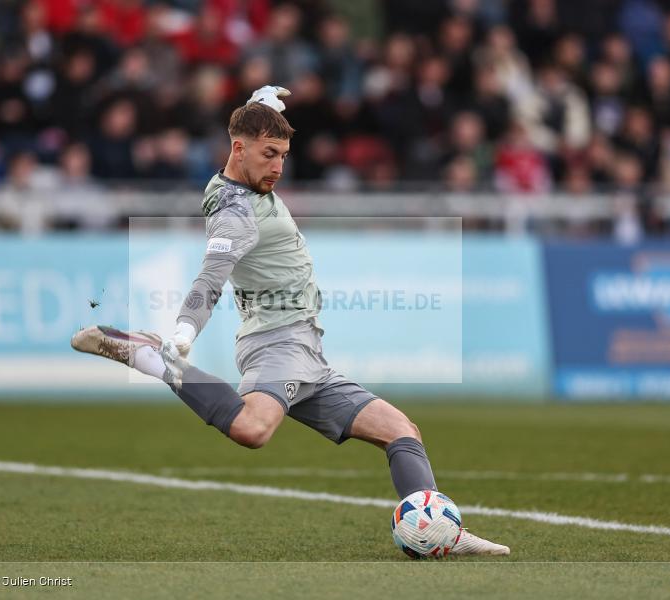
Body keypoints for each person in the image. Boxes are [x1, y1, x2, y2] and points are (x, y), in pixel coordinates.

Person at [72, 85, 509, 556]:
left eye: (283, 155)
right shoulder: (234, 213)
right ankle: (153, 358)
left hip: (307, 350)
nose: (278, 167)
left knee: (401, 431)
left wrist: (263, 103)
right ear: (238, 150)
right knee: (252, 430)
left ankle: (441, 532)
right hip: (277, 342)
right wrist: (183, 331)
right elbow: (210, 277)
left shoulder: (241, 178)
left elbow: (250, 139)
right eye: (269, 154)